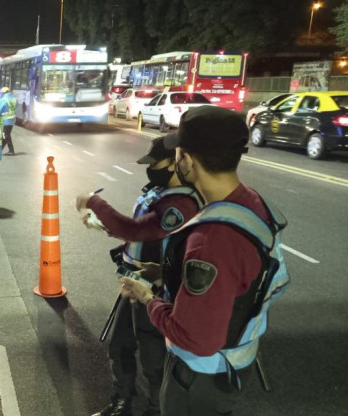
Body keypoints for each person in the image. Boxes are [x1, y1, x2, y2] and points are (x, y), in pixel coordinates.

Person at [119, 106, 288, 416]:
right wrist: (166, 275)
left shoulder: (212, 238)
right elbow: (242, 281)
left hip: (199, 377)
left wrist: (147, 297)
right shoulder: (251, 203)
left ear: (187, 160)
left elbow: (195, 338)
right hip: (236, 362)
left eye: (178, 152)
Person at [75, 136, 203, 416]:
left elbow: (137, 230)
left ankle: (155, 410)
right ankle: (121, 403)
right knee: (120, 345)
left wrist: (95, 203)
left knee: (153, 359)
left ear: (176, 163)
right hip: (135, 283)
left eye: (156, 163)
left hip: (157, 291)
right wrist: (104, 226)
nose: (151, 167)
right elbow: (137, 233)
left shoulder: (182, 203)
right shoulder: (158, 192)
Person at [0, 87, 17, 155]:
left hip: (5, 120)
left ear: (3, 93)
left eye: (0, 93)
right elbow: (15, 107)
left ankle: (11, 151)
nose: (0, 94)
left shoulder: (2, 100)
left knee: (6, 135)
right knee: (5, 135)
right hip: (12, 120)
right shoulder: (13, 99)